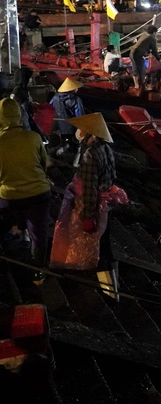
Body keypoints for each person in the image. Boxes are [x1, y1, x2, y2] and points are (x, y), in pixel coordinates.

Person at [49, 114, 128, 299]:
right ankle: (113, 288)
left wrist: (88, 214)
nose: (79, 132)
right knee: (105, 244)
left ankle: (108, 292)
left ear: (89, 133)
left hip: (95, 205)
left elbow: (90, 187)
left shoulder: (90, 154)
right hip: (106, 203)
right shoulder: (105, 148)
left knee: (96, 246)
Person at [0, 98, 52, 282]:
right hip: (39, 193)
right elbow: (44, 165)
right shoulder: (33, 137)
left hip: (9, 196)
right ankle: (39, 268)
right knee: (39, 230)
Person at [50, 78, 85, 160]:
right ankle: (74, 162)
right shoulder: (75, 100)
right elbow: (80, 116)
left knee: (65, 142)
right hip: (72, 127)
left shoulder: (55, 97)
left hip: (60, 127)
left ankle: (60, 154)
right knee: (76, 146)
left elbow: (50, 107)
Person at [129, 25, 159, 89]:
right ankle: (141, 87)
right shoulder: (152, 39)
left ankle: (136, 85)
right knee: (142, 70)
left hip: (132, 53)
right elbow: (155, 51)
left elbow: (142, 45)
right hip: (137, 54)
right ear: (154, 32)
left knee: (136, 70)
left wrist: (147, 52)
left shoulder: (144, 35)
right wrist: (159, 59)